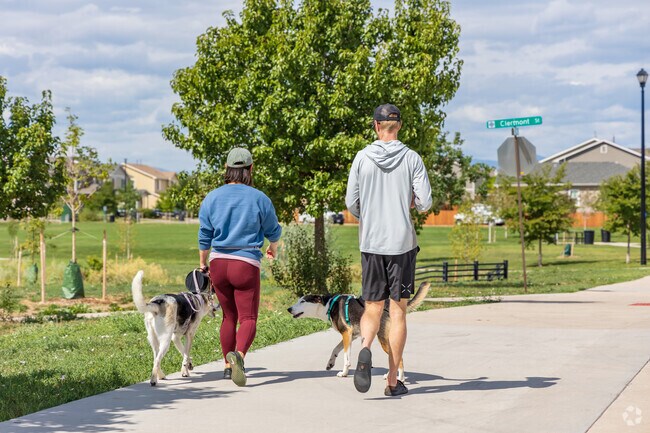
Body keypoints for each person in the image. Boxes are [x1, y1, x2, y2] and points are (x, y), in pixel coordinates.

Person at [345, 103, 432, 396]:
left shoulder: (361, 158)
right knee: (398, 312)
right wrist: (408, 202)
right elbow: (425, 202)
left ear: (375, 125)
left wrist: (368, 212)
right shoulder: (412, 159)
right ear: (400, 126)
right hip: (401, 245)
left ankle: (366, 348)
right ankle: (393, 379)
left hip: (371, 242)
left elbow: (351, 202)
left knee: (372, 307)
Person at [198, 147, 282, 387]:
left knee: (228, 316)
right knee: (248, 317)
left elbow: (205, 235)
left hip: (219, 263)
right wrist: (272, 248)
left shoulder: (212, 197)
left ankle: (226, 366)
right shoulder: (259, 198)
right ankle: (239, 357)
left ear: (227, 169)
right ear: (250, 169)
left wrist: (203, 263)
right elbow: (273, 231)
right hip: (245, 263)